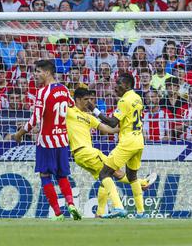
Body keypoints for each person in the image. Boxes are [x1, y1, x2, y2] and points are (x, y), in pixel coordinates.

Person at [66, 87, 155, 217]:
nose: (88, 103)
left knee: (105, 178)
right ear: (77, 100)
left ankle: (100, 213)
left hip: (84, 154)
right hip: (84, 152)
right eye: (85, 100)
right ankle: (124, 201)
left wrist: (128, 127)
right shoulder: (69, 112)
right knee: (112, 173)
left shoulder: (89, 117)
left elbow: (108, 129)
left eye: (90, 99)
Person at [12, 60, 81, 221]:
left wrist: (20, 133)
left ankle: (57, 213)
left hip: (46, 141)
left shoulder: (42, 92)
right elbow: (71, 106)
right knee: (62, 175)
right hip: (62, 140)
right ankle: (71, 203)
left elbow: (35, 118)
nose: (35, 75)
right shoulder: (64, 89)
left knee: (45, 175)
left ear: (47, 72)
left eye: (38, 71)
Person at [93, 73, 148, 218]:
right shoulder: (137, 97)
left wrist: (95, 110)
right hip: (139, 141)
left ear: (127, 85)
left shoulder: (124, 101)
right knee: (132, 176)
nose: (116, 86)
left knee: (104, 173)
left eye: (119, 83)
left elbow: (112, 123)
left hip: (128, 142)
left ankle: (118, 207)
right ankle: (141, 212)